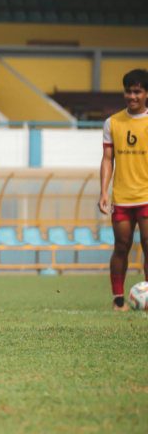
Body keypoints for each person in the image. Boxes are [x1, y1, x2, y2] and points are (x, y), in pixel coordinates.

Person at [99, 68, 148, 311]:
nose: (132, 96)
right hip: (122, 197)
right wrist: (104, 192)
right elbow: (108, 159)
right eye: (128, 91)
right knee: (121, 246)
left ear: (146, 93)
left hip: (147, 196)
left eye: (137, 91)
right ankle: (119, 299)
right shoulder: (113, 122)